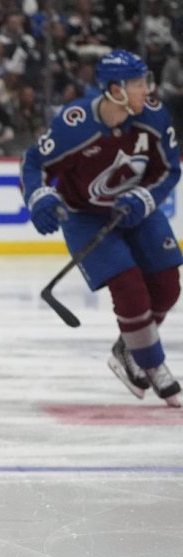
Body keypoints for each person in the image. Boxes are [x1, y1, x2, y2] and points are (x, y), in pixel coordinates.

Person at [21, 49, 182, 406]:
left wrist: (144, 197)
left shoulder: (153, 116)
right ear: (115, 89)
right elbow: (34, 163)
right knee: (129, 286)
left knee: (168, 285)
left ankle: (129, 348)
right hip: (85, 216)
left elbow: (170, 169)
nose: (146, 89)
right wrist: (39, 197)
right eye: (137, 83)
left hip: (137, 209)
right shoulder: (75, 124)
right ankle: (153, 364)